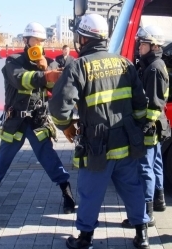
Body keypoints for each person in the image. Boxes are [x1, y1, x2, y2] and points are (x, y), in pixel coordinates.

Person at [49, 14, 151, 249]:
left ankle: (85, 240)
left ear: (85, 39)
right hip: (126, 142)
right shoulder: (125, 63)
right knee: (133, 187)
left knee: (90, 192)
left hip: (97, 146)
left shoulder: (79, 66)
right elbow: (140, 104)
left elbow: (57, 106)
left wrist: (66, 126)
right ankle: (142, 234)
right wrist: (133, 129)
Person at [0, 22, 76, 215]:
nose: (38, 44)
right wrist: (45, 75)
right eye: (34, 40)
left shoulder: (50, 63)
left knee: (49, 158)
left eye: (41, 40)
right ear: (26, 41)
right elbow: (20, 79)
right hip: (15, 122)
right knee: (2, 158)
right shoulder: (14, 61)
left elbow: (57, 90)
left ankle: (66, 191)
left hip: (37, 121)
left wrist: (50, 73)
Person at [122, 25, 170, 229]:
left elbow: (153, 103)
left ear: (153, 45)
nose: (139, 47)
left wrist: (142, 127)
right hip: (155, 124)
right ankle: (158, 200)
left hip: (149, 126)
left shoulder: (153, 68)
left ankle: (146, 214)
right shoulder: (153, 65)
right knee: (155, 163)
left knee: (144, 169)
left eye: (142, 43)